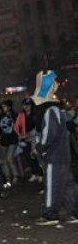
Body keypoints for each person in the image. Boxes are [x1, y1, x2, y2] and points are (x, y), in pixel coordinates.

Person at [30, 70, 78, 226]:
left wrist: (39, 147)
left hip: (53, 155)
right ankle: (75, 212)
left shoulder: (49, 111)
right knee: (67, 185)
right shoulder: (58, 110)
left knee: (52, 184)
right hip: (64, 154)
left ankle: (51, 215)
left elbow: (49, 134)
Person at [0, 100, 21, 183]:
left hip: (12, 139)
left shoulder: (14, 115)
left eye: (4, 106)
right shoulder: (0, 116)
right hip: (3, 140)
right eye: (2, 107)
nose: (3, 108)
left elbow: (17, 127)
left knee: (9, 158)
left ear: (9, 107)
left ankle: (15, 175)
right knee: (3, 159)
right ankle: (7, 177)